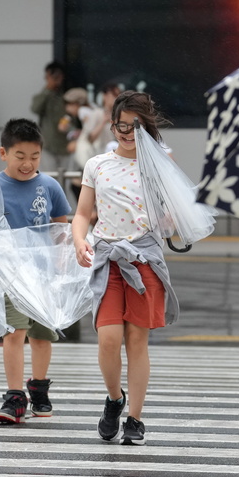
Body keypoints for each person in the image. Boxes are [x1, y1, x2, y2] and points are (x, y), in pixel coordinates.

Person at [71, 91, 179, 446]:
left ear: (146, 126)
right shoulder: (97, 164)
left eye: (136, 125)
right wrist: (79, 239)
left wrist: (171, 219)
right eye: (121, 124)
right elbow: (82, 214)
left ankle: (135, 418)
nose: (127, 132)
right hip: (107, 259)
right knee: (108, 339)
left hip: (145, 258)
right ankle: (115, 399)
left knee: (137, 341)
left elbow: (174, 213)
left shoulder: (160, 161)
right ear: (113, 123)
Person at [0, 118, 71, 424]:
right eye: (20, 156)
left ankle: (39, 387)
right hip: (9, 276)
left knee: (42, 336)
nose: (28, 164)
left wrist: (60, 259)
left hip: (43, 276)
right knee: (14, 332)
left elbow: (61, 221)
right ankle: (15, 395)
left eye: (34, 157)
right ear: (4, 153)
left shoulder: (49, 186)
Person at [30, 61, 70, 174]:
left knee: (65, 180)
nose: (56, 78)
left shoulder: (67, 95)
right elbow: (35, 108)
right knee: (49, 177)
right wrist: (48, 88)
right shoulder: (44, 95)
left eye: (58, 75)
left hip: (66, 145)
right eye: (52, 75)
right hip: (48, 144)